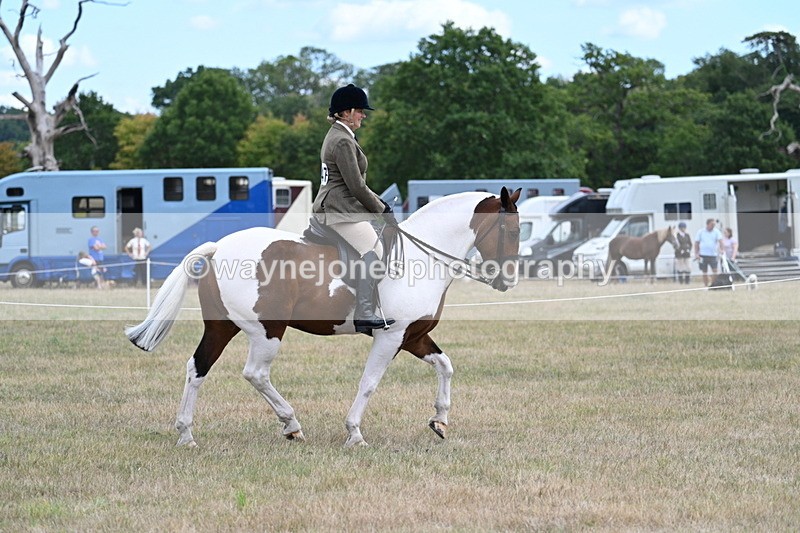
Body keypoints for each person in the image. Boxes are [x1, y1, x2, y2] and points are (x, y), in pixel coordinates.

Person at [311, 83, 396, 333]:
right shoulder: (342, 141)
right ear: (346, 112)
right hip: (340, 210)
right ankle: (364, 312)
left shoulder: (341, 135)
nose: (363, 115)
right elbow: (357, 187)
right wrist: (382, 210)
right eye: (360, 110)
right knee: (375, 250)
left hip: (341, 206)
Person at [694, 218, 724, 287]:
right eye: (712, 224)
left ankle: (713, 284)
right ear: (708, 224)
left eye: (714, 224)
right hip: (703, 255)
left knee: (715, 271)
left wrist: (722, 250)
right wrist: (696, 253)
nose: (713, 226)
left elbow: (721, 241)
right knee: (704, 272)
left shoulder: (717, 232)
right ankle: (706, 285)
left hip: (713, 255)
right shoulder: (700, 232)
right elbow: (696, 243)